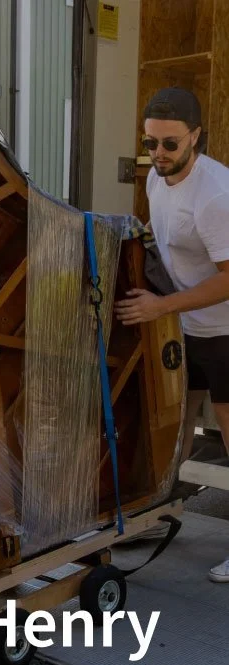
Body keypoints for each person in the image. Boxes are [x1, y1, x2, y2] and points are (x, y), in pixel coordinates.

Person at [116, 88, 229, 583]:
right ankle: (160, 516)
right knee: (175, 423)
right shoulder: (158, 181)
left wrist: (160, 305)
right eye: (150, 144)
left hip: (226, 331)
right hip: (185, 325)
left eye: (169, 144)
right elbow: (163, 237)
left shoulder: (217, 196)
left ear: (196, 137)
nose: (158, 154)